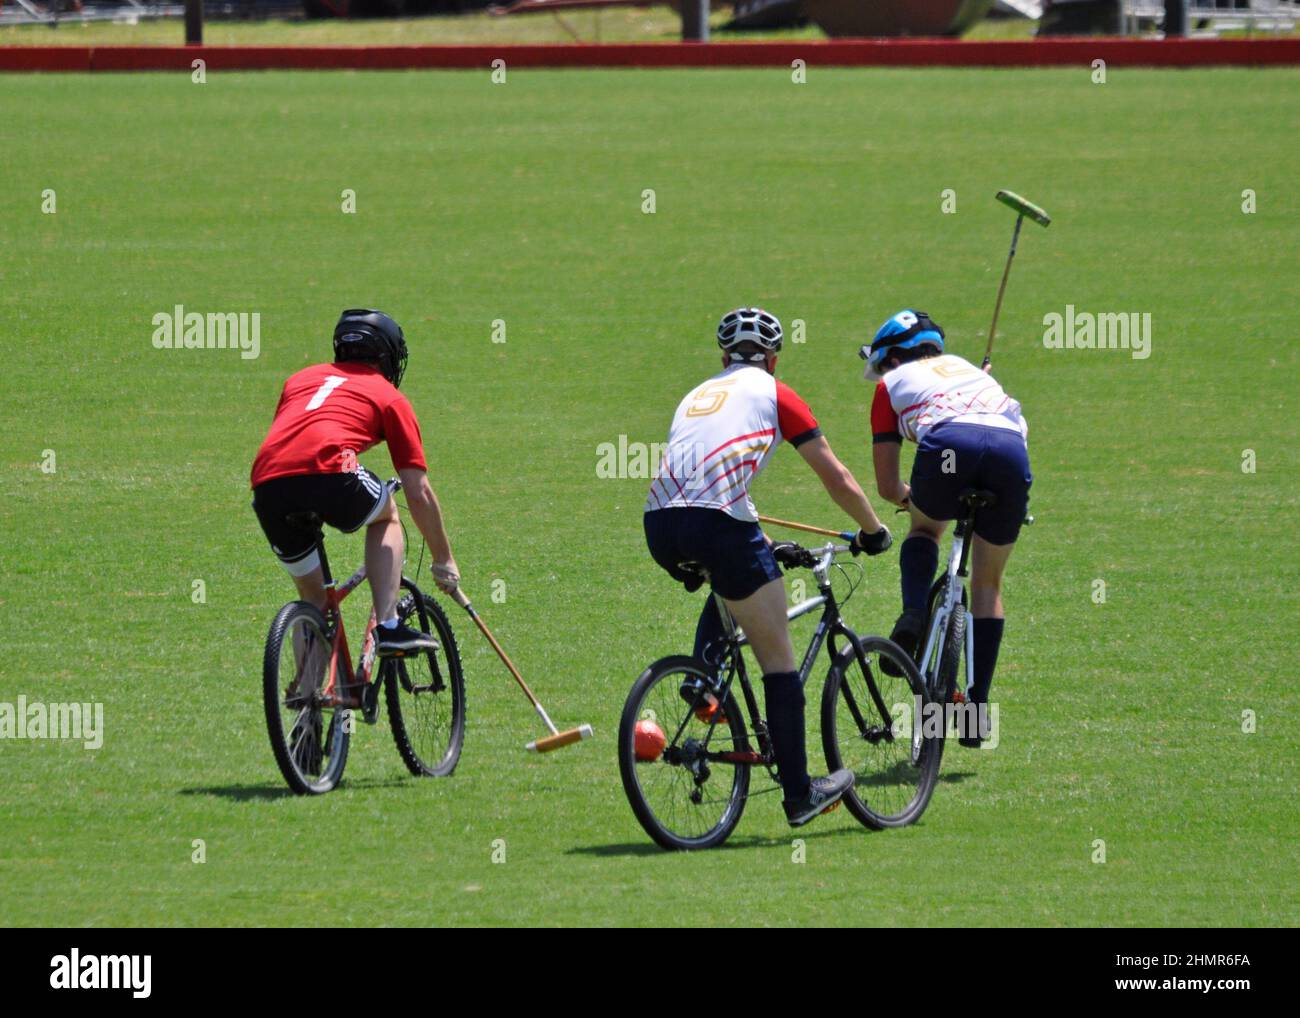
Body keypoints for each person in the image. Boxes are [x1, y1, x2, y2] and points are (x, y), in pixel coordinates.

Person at [644, 306, 893, 826]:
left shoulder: (696, 395)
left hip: (660, 524)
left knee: (731, 582)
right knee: (779, 661)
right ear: (774, 359)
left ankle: (704, 679)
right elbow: (837, 476)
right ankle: (801, 794)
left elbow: (709, 479)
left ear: (723, 356)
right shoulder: (777, 394)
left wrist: (764, 539)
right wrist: (873, 530)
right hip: (719, 525)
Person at [250, 309, 460, 678]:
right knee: (388, 514)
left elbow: (296, 439)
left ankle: (308, 709)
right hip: (331, 469)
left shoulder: (299, 379)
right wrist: (444, 559)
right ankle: (390, 626)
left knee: (313, 600)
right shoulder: (389, 397)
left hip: (268, 482)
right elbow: (418, 489)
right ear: (388, 356)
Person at [862, 309, 1032, 746]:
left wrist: (912, 500)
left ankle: (915, 612)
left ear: (893, 359)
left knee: (924, 532)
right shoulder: (975, 372)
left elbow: (886, 486)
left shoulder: (890, 385)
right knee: (987, 584)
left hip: (946, 450)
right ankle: (976, 710)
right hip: (1010, 452)